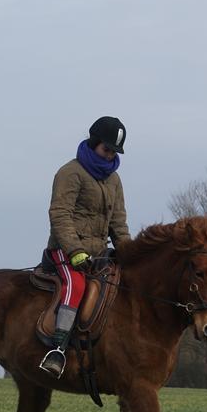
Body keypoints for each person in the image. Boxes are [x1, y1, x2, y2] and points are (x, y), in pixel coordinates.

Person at [40, 116, 131, 376]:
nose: (110, 155)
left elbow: (119, 223)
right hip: (65, 251)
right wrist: (74, 250)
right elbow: (60, 214)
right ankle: (56, 349)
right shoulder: (70, 173)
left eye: (115, 151)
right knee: (77, 284)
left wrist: (130, 254)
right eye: (107, 149)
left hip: (99, 254)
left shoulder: (114, 180)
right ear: (94, 143)